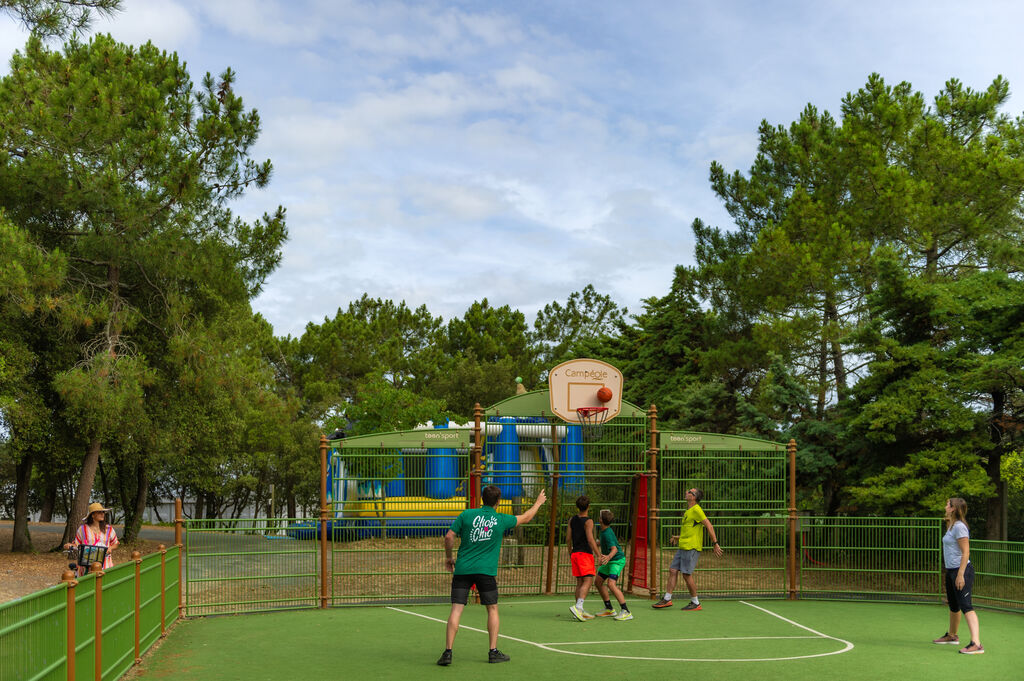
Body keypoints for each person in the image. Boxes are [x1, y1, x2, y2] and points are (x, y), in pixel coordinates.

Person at [437, 485, 547, 666]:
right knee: (492, 609)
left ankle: (448, 653)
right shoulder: (500, 519)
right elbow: (527, 517)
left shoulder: (466, 515)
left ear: (482, 499)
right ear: (498, 501)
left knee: (456, 609)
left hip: (463, 569)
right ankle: (493, 652)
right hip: (486, 572)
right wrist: (538, 503)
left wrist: (449, 558)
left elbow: (449, 537)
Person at [652, 487, 722, 610]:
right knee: (673, 570)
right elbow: (691, 530)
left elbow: (709, 526)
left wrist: (715, 543)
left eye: (690, 492)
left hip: (691, 547)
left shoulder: (697, 510)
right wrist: (678, 537)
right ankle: (667, 599)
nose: (686, 492)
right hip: (683, 546)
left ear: (694, 497)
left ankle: (695, 602)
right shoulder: (688, 511)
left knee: (686, 574)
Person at [933, 497, 983, 654]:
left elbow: (966, 551)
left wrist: (960, 575)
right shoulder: (951, 525)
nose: (945, 506)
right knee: (954, 605)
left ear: (953, 508)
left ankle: (976, 644)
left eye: (947, 504)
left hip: (961, 571)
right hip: (951, 570)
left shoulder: (960, 527)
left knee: (966, 606)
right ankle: (952, 636)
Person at [567, 494, 603, 621]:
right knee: (588, 581)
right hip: (585, 554)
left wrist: (569, 551)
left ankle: (579, 610)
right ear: (588, 506)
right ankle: (578, 607)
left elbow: (568, 538)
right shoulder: (588, 521)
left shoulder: (572, 520)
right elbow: (590, 539)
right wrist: (598, 555)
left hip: (575, 553)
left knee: (580, 582)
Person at [594, 509, 632, 621]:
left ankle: (626, 611)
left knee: (611, 584)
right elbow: (601, 542)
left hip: (617, 560)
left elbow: (614, 549)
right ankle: (609, 609)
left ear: (600, 520)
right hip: (609, 560)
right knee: (598, 582)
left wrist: (607, 557)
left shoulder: (608, 534)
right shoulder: (604, 531)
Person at [64, 502, 119, 577]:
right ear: (92, 515)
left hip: (105, 565)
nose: (102, 514)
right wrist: (69, 545)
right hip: (86, 565)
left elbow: (116, 543)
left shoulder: (108, 529)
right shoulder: (82, 529)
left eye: (103, 512)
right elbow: (77, 544)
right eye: (99, 512)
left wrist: (111, 548)